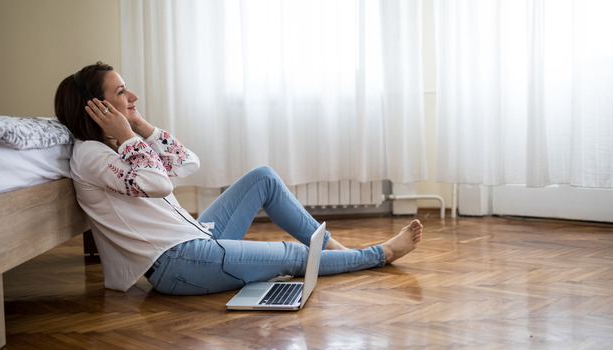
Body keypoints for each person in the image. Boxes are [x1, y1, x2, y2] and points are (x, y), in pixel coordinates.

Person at [54, 61, 423, 295]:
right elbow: (159, 184)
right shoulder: (91, 156)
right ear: (96, 108)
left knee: (262, 176)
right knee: (292, 255)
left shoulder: (116, 146)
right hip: (177, 264)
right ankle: (380, 254)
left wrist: (138, 125)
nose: (133, 95)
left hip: (195, 238)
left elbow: (187, 163)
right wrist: (130, 136)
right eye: (121, 92)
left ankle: (331, 247)